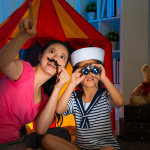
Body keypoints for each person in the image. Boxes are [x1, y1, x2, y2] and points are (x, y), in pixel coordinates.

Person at [0, 1, 72, 150]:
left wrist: (58, 87)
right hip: (3, 142)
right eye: (52, 52)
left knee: (62, 134)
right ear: (40, 56)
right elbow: (2, 62)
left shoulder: (45, 97)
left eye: (62, 57)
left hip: (20, 139)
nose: (55, 58)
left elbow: (40, 130)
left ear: (63, 67)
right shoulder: (23, 70)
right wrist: (22, 36)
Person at [54, 47, 125, 150]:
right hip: (80, 147)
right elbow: (59, 110)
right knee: (47, 139)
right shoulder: (74, 97)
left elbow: (120, 102)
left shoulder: (106, 95)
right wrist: (72, 83)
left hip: (104, 146)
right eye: (85, 70)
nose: (90, 73)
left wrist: (104, 78)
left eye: (94, 69)